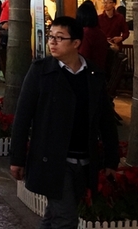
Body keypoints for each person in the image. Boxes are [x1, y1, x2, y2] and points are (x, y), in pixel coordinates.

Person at [10, 16, 119, 229]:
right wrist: (17, 158)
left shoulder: (94, 74)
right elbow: (23, 116)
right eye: (51, 37)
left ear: (76, 43)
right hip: (53, 160)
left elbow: (106, 120)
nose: (52, 42)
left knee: (55, 216)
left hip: (84, 159)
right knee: (65, 219)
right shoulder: (41, 71)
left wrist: (111, 160)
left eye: (60, 38)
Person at [76, 1, 109, 71]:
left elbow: (82, 57)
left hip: (91, 74)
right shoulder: (98, 31)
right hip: (99, 70)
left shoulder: (87, 33)